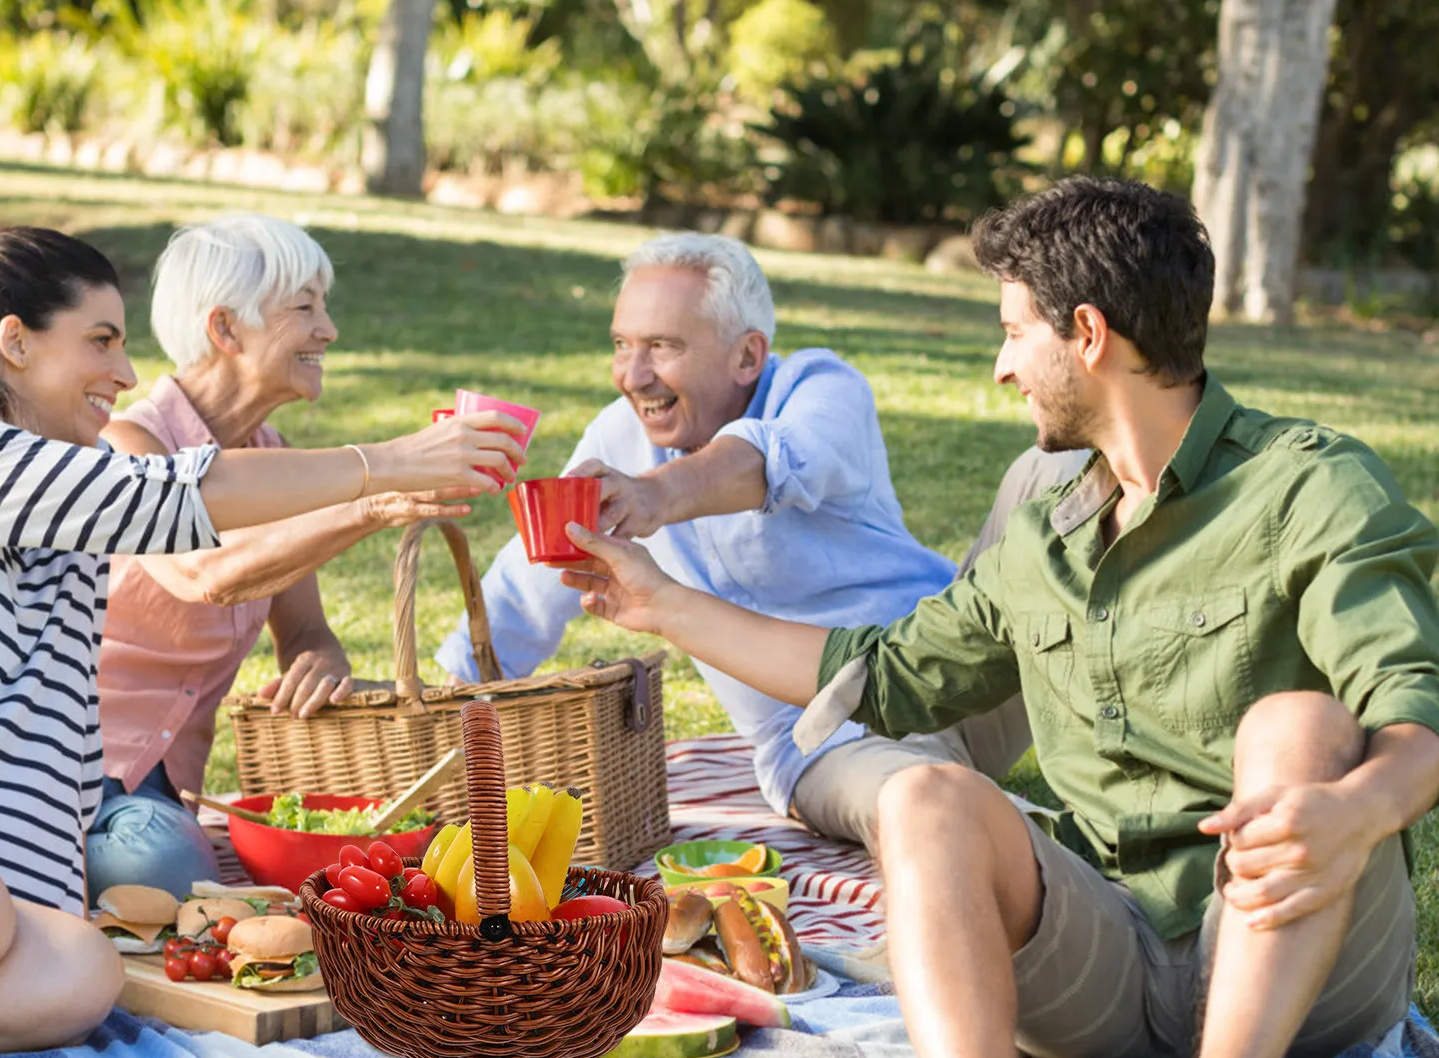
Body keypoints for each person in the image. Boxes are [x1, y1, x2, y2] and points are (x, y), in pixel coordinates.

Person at [555, 178, 1439, 1058]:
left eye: (1012, 330)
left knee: (1299, 722)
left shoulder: (1311, 486)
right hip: (1116, 952)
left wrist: (1354, 809)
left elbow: (1418, 713)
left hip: (1299, 952)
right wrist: (655, 603)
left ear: (1087, 334)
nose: (1000, 363)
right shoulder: (1048, 530)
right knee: (919, 797)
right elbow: (871, 675)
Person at [0, 227, 521, 1058]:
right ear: (15, 341)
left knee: (80, 972)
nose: (126, 373)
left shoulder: (71, 516)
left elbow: (57, 744)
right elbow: (173, 501)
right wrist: (390, 463)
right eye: (100, 340)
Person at [435, 231, 1080, 855]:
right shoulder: (617, 441)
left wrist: (654, 494)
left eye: (662, 346)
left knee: (1060, 469)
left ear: (747, 355)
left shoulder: (823, 389)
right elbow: (528, 585)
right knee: (931, 811)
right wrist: (440, 709)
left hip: (962, 667)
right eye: (622, 344)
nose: (633, 375)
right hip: (826, 741)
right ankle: (1071, 861)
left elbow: (772, 461)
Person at [91, 214, 460, 898]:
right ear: (226, 329)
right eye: (304, 308)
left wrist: (319, 657)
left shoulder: (271, 452)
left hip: (168, 789)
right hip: (77, 770)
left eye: (325, 305)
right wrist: (374, 501)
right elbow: (205, 573)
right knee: (163, 874)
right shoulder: (128, 446)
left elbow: (304, 629)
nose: (329, 329)